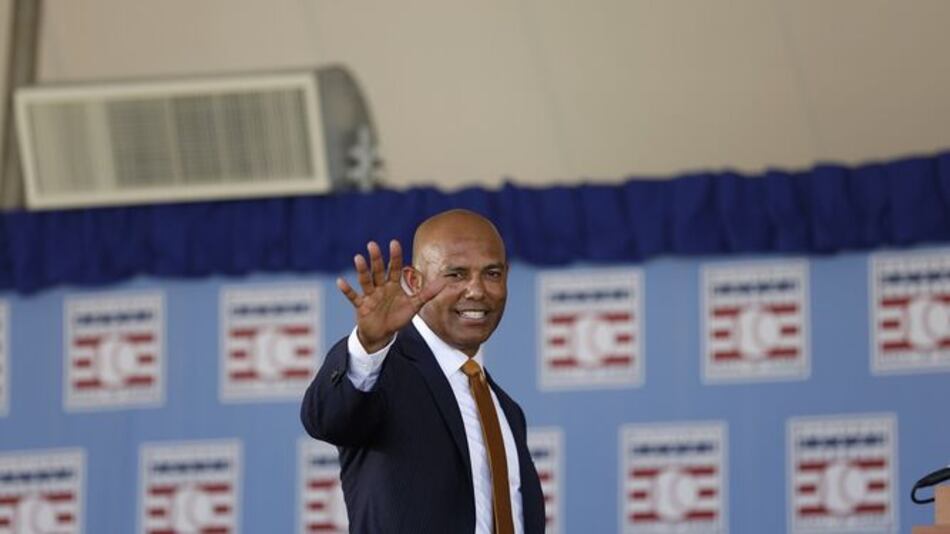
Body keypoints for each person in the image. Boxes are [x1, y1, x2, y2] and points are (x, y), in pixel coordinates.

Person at [300, 209, 546, 533]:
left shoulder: (507, 411)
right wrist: (369, 345)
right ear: (414, 281)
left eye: (492, 274)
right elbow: (327, 419)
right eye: (456, 275)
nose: (476, 290)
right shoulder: (384, 373)